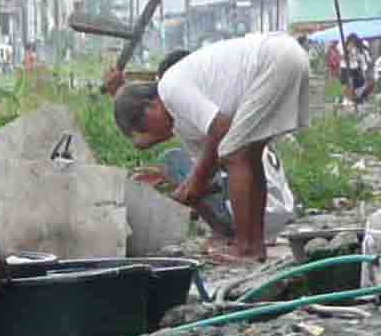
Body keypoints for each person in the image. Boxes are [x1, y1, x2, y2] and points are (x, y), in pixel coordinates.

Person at [106, 33, 322, 264]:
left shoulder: (170, 87)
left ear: (150, 107)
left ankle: (244, 246)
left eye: (146, 129)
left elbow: (221, 132)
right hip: (285, 57)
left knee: (233, 151)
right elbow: (210, 172)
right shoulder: (182, 120)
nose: (154, 137)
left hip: (275, 59)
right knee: (248, 155)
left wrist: (194, 182)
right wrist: (178, 193)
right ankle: (254, 246)